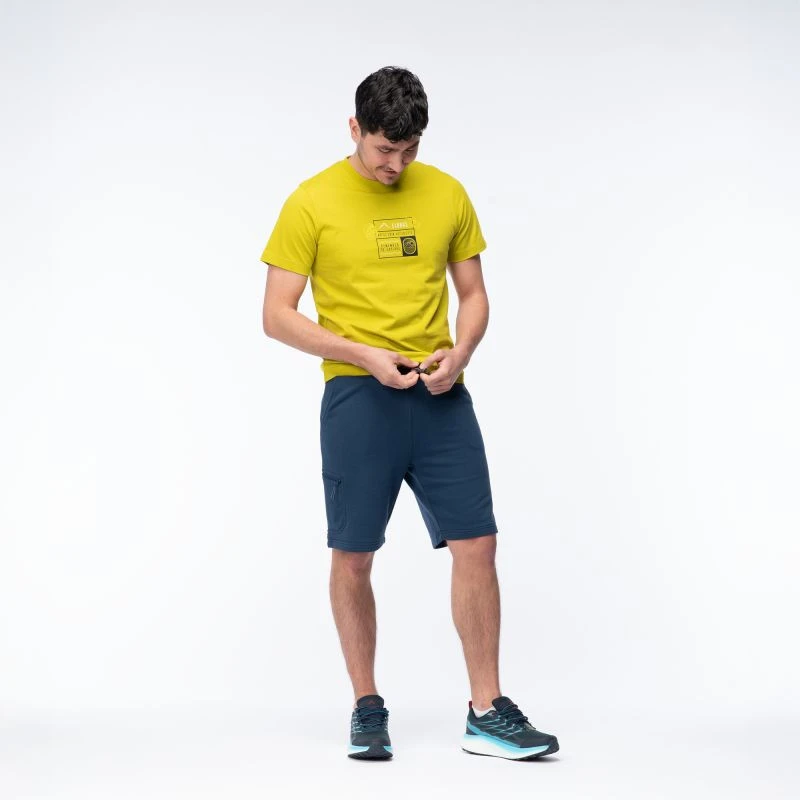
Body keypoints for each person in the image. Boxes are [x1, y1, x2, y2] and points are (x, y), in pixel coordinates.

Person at [259, 66, 560, 762]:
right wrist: (360, 353)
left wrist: (463, 350)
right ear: (354, 128)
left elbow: (473, 293)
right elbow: (276, 315)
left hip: (440, 393)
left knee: (477, 543)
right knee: (354, 555)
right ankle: (367, 706)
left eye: (409, 149)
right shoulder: (310, 202)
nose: (395, 164)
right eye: (383, 149)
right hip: (358, 397)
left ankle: (486, 710)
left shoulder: (446, 192)